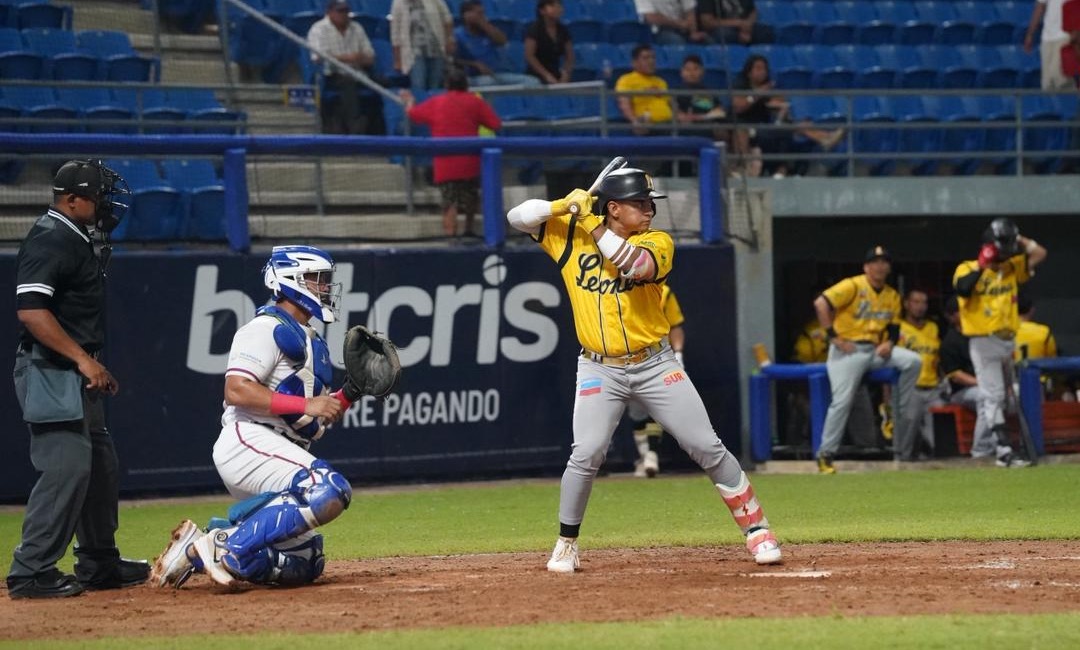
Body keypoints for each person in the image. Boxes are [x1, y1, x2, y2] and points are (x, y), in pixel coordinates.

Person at [506, 164, 782, 572]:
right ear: (613, 207)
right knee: (586, 453)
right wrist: (563, 204)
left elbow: (635, 267)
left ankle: (758, 531)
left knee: (706, 446)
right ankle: (566, 543)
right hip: (600, 368)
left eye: (650, 203)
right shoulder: (572, 234)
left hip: (654, 363)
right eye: (639, 203)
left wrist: (594, 225)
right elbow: (516, 217)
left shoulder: (657, 241)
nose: (649, 209)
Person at [149, 245, 354, 589]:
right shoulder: (264, 327)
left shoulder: (310, 339)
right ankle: (223, 546)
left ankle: (204, 543)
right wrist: (309, 406)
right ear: (292, 280)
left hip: (274, 447)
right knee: (330, 489)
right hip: (247, 439)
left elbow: (311, 426)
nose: (324, 287)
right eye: (317, 279)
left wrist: (348, 396)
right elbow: (237, 390)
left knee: (306, 562)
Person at [7, 160, 149, 599]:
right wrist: (83, 361)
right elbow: (31, 311)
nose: (106, 204)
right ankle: (30, 571)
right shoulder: (51, 237)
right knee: (66, 467)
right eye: (99, 197)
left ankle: (98, 562)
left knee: (101, 467)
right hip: (51, 369)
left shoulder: (74, 236)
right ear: (72, 200)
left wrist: (88, 362)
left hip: (73, 369)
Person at [812, 246, 922, 474]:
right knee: (842, 401)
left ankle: (891, 412)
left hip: (874, 350)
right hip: (848, 351)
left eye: (884, 262)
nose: (880, 266)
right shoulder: (853, 285)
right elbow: (821, 303)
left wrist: (890, 344)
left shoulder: (892, 295)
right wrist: (834, 338)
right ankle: (826, 454)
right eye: (875, 262)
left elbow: (893, 326)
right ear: (866, 266)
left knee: (913, 361)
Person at [953, 218, 1047, 467]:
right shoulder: (967, 268)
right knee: (993, 396)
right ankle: (1003, 451)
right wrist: (982, 265)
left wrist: (1017, 238)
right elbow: (962, 290)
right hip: (983, 341)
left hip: (1007, 341)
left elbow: (1039, 253)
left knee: (1008, 397)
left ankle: (1000, 447)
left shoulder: (1010, 268)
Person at [403, 66, 502, 237]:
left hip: (445, 164)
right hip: (470, 163)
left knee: (449, 202)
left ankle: (451, 235)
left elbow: (413, 114)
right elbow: (495, 124)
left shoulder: (437, 101)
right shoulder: (475, 102)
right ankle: (469, 230)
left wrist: (409, 101)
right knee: (470, 198)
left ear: (447, 84)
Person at [731, 55, 844, 178]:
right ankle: (824, 138)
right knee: (794, 128)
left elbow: (777, 102)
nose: (762, 72)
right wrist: (757, 94)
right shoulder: (740, 85)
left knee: (798, 126)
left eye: (764, 69)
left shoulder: (767, 87)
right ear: (749, 72)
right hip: (748, 129)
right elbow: (738, 106)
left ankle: (823, 139)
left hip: (765, 129)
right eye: (758, 68)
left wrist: (781, 104)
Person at [627, 284, 685, 478]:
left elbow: (675, 325)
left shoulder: (664, 291)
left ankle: (651, 455)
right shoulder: (611, 288)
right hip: (626, 357)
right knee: (636, 412)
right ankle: (646, 457)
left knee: (656, 406)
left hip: (658, 357)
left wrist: (678, 354)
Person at [307, 0, 384, 136]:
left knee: (385, 84)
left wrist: (355, 58)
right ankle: (355, 128)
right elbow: (318, 57)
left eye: (346, 11)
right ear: (330, 12)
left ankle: (381, 132)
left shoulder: (357, 27)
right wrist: (349, 58)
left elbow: (370, 57)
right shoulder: (319, 29)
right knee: (348, 84)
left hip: (359, 73)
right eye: (340, 11)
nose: (344, 15)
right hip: (332, 75)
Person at [939, 295, 999, 462]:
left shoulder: (981, 335)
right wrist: (984, 383)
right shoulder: (950, 342)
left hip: (988, 384)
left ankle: (1007, 444)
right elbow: (956, 375)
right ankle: (981, 450)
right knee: (986, 396)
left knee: (1015, 392)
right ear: (952, 316)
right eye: (961, 311)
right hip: (962, 392)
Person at [893, 288, 942, 461]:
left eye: (924, 302)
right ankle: (902, 462)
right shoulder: (898, 328)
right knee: (907, 429)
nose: (921, 307)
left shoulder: (933, 327)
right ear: (906, 304)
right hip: (910, 387)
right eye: (916, 302)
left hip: (933, 387)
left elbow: (937, 359)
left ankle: (935, 464)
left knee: (938, 431)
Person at [454, 1, 541, 87]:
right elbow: (453, 60)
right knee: (487, 82)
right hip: (474, 77)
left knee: (532, 82)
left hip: (497, 74)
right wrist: (474, 64)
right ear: (466, 15)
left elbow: (502, 41)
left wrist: (484, 25)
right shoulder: (458, 35)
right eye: (479, 14)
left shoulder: (487, 31)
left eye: (483, 13)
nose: (482, 17)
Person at [390, 0, 455, 92]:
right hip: (413, 54)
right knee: (419, 85)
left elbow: (447, 19)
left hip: (436, 49)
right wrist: (397, 59)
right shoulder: (398, 3)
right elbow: (395, 33)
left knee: (435, 87)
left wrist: (449, 39)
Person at [615, 44, 674, 135]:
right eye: (646, 58)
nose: (651, 61)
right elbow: (624, 104)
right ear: (635, 62)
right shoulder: (626, 80)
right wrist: (635, 121)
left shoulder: (661, 82)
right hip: (647, 125)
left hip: (670, 123)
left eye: (653, 58)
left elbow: (671, 104)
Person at [1024, 0, 1075, 91]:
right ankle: (1053, 104)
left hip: (1065, 34)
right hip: (1047, 37)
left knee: (1059, 75)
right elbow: (1040, 7)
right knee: (1047, 82)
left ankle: (1074, 100)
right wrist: (1030, 34)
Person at [523, 0, 574, 85]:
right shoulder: (534, 29)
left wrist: (566, 74)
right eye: (552, 5)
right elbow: (529, 56)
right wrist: (546, 75)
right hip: (535, 76)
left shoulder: (563, 30)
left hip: (556, 74)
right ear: (542, 11)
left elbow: (570, 57)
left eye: (559, 5)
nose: (557, 8)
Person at [697, 0, 775, 45]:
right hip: (722, 28)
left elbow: (753, 11)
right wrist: (739, 23)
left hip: (745, 26)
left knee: (766, 32)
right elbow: (707, 23)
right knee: (724, 34)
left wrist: (748, 25)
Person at [634, 0, 710, 45]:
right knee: (676, 41)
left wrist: (693, 31)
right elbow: (651, 18)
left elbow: (689, 10)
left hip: (683, 29)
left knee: (706, 40)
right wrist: (679, 24)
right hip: (658, 31)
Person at [1016, 295, 1058, 362]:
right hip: (1037, 372)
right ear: (1032, 310)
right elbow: (1053, 361)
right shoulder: (1044, 332)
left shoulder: (1001, 333)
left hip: (1008, 372)